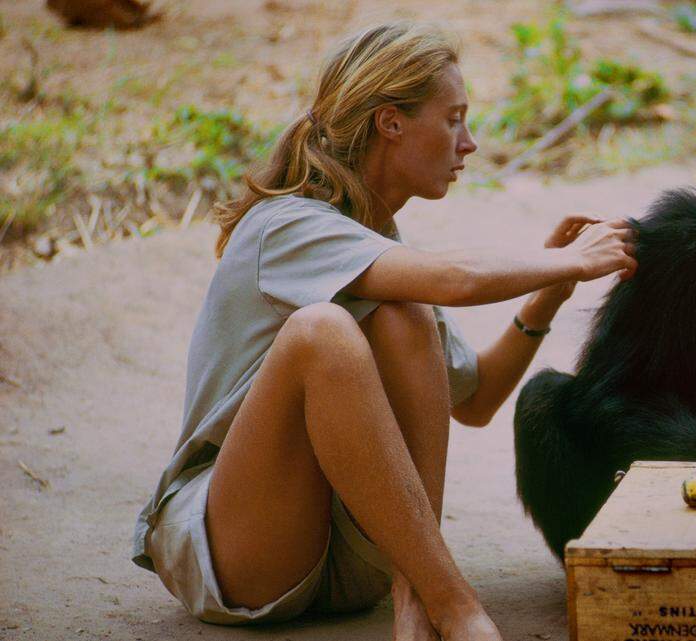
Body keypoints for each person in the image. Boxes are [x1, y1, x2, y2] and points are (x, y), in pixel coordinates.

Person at [130, 22, 637, 641]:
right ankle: (451, 602)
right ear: (390, 122)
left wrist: (548, 295)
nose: (469, 143)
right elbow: (455, 278)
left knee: (404, 314)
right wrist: (574, 260)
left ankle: (414, 594)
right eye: (453, 119)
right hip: (243, 553)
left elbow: (474, 401)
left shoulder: (378, 250)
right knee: (323, 332)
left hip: (351, 561)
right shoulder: (284, 226)